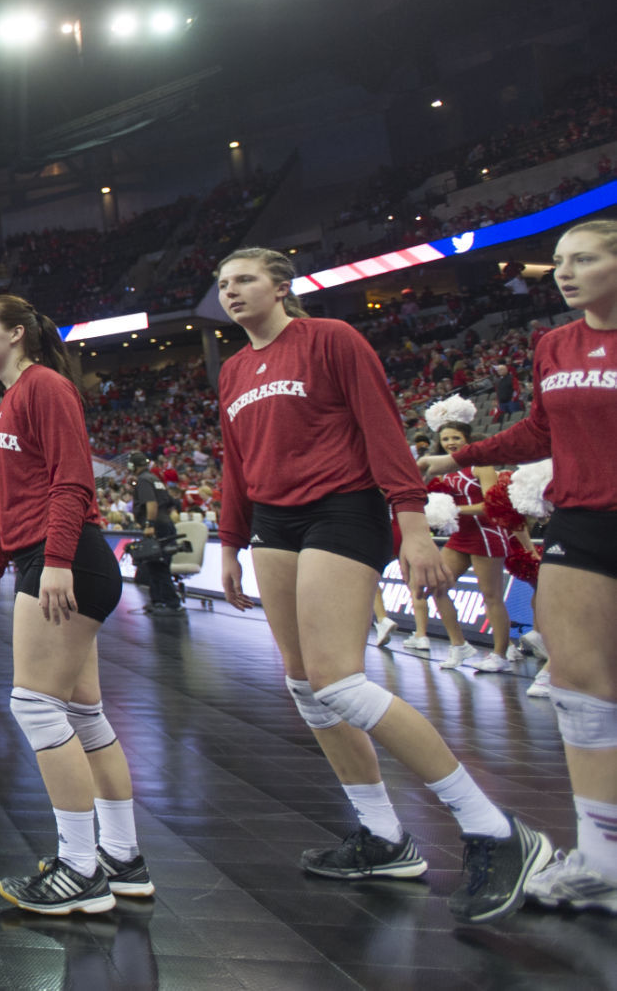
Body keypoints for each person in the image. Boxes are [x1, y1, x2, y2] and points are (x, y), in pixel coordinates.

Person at [214, 246, 546, 924]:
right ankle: (385, 838)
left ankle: (493, 829)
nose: (231, 291)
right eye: (223, 284)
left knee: (338, 679)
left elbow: (382, 428)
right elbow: (234, 462)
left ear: (281, 287)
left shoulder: (332, 339)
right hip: (273, 521)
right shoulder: (233, 370)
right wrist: (228, 542)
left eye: (244, 279)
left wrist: (414, 522)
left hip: (343, 507)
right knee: (304, 683)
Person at [421, 220, 617, 914]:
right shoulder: (554, 344)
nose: (564, 272)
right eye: (558, 262)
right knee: (577, 688)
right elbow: (540, 430)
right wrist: (459, 458)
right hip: (585, 521)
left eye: (584, 260)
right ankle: (602, 860)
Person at [0, 294, 148, 915]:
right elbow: (9, 503)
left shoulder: (45, 387)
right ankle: (122, 859)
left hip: (65, 559)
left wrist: (59, 560)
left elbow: (74, 480)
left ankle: (79, 869)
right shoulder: (12, 399)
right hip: (45, 556)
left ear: (16, 332)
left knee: (36, 708)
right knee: (83, 715)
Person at [420, 415, 519, 673]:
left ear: (466, 439)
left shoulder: (480, 465)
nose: (450, 443)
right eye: (445, 439)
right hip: (460, 535)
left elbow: (490, 505)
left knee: (491, 596)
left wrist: (454, 509)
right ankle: (459, 645)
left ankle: (500, 656)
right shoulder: (441, 468)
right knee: (436, 586)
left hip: (487, 533)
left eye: (456, 438)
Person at [128, 452, 183, 613]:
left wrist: (149, 524)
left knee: (158, 564)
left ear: (133, 466)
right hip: (166, 524)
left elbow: (151, 504)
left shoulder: (144, 480)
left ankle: (172, 603)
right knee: (156, 564)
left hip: (157, 526)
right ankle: (158, 601)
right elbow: (171, 502)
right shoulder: (155, 479)